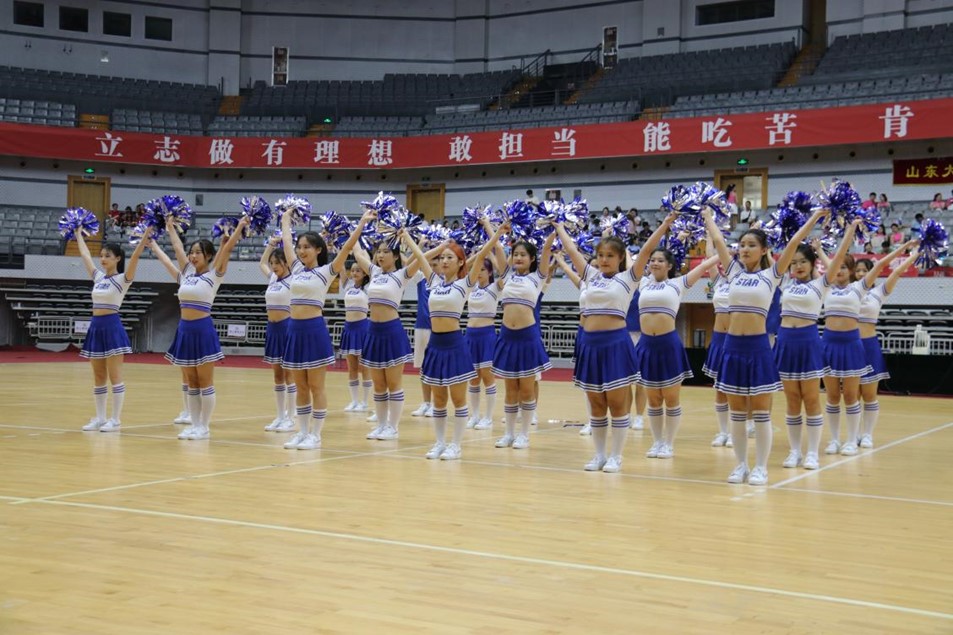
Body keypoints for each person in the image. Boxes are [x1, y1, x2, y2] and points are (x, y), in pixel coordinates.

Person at [705, 207, 827, 486]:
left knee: (761, 412)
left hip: (759, 348)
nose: (744, 249)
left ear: (763, 250)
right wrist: (708, 217)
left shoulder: (772, 274)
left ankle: (760, 467)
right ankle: (740, 465)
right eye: (742, 245)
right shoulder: (733, 272)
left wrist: (814, 218)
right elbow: (719, 241)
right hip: (732, 348)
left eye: (751, 245)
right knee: (737, 413)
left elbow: (794, 242)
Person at [407, 219, 505, 460]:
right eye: (442, 257)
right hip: (435, 345)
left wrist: (496, 233)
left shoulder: (465, 284)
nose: (444, 260)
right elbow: (419, 255)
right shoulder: (433, 281)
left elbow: (482, 253)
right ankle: (440, 442)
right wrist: (405, 235)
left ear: (461, 262)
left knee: (458, 399)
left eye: (450, 257)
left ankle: (456, 445)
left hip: (454, 345)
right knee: (439, 399)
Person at [279, 209, 374, 450]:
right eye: (300, 247)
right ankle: (302, 432)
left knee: (316, 386)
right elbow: (286, 241)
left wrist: (361, 224)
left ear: (318, 250)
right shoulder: (295, 269)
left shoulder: (326, 271)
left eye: (307, 247)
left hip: (313, 331)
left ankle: (316, 434)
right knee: (300, 387)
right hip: (294, 331)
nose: (301, 251)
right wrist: (285, 219)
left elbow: (347, 247)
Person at [150, 214, 247, 440]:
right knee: (191, 382)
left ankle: (204, 426)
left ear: (208, 256)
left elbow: (227, 249)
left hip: (203, 330)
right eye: (191, 252)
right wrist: (170, 228)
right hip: (184, 330)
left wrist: (240, 227)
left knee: (205, 381)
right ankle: (194, 425)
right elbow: (176, 249)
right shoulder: (186, 274)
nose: (192, 256)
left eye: (197, 253)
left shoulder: (214, 276)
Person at [774, 223, 859, 471]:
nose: (797, 266)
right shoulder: (783, 283)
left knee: (811, 399)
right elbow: (786, 249)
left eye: (803, 261)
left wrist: (850, 230)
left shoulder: (822, 283)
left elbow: (840, 256)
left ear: (813, 264)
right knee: (792, 400)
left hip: (809, 343)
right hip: (785, 343)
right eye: (793, 263)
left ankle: (812, 453)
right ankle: (794, 452)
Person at [821, 242, 918, 452]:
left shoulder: (878, 292)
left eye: (865, 270)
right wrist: (819, 250)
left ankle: (867, 435)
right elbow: (831, 266)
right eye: (858, 270)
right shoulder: (847, 292)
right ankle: (852, 435)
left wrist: (913, 254)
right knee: (851, 395)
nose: (861, 273)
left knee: (869, 394)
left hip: (868, 345)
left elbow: (896, 271)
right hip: (848, 343)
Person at [633, 232, 721, 460]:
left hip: (668, 345)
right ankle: (657, 442)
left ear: (670, 265)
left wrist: (725, 250)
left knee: (671, 399)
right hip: (646, 345)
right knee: (653, 400)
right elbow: (637, 255)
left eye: (660, 260)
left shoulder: (678, 283)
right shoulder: (642, 282)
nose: (654, 263)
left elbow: (705, 266)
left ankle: (669, 444)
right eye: (652, 260)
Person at [352, 232, 439, 441]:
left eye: (386, 252)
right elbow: (357, 253)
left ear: (396, 256)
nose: (380, 255)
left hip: (392, 331)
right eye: (378, 252)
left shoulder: (402, 275)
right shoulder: (374, 272)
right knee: (379, 385)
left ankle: (393, 427)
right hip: (372, 332)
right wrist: (357, 228)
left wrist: (443, 244)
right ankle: (381, 425)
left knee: (393, 383)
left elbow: (422, 258)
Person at [76, 227, 151, 432]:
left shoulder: (122, 280)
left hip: (112, 328)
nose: (102, 259)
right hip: (96, 328)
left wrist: (145, 237)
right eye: (101, 256)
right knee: (99, 377)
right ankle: (100, 418)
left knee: (114, 376)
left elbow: (134, 257)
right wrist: (78, 234)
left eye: (107, 256)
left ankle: (115, 420)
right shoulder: (98, 278)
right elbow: (85, 256)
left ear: (117, 258)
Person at [491, 232, 556, 450]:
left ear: (531, 259)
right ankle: (509, 434)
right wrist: (495, 228)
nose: (518, 258)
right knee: (510, 390)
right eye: (515, 254)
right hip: (507, 337)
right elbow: (497, 248)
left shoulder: (537, 278)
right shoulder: (507, 275)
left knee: (527, 390)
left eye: (523, 255)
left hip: (527, 337)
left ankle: (524, 435)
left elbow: (546, 250)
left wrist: (553, 233)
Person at [464, 241, 506, 430]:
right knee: (473, 378)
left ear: (489, 272)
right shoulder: (470, 288)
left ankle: (488, 417)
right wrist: (479, 254)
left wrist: (490, 253)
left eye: (482, 269)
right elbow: (463, 268)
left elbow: (504, 272)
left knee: (488, 377)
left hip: (487, 335)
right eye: (477, 269)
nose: (479, 272)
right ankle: (474, 415)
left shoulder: (496, 287)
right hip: (470, 335)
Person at [259, 236, 295, 432]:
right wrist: (271, 245)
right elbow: (261, 263)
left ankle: (291, 417)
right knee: (277, 376)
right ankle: (280, 416)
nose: (273, 266)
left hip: (287, 328)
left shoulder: (293, 279)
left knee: (289, 375)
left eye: (277, 263)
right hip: (272, 330)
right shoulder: (273, 278)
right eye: (272, 263)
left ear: (286, 263)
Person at [339, 261, 373, 413]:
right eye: (352, 270)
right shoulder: (347, 285)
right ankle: (354, 401)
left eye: (358, 270)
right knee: (351, 368)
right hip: (349, 328)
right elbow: (340, 266)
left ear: (365, 273)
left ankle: (364, 402)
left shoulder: (369, 288)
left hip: (362, 329)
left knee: (364, 367)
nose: (354, 273)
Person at [410, 246, 439, 418]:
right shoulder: (421, 279)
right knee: (423, 367)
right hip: (421, 327)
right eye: (430, 264)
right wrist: (420, 245)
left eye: (435, 264)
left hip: (437, 329)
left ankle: (436, 403)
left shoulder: (443, 281)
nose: (432, 267)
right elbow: (408, 263)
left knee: (436, 367)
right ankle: (426, 403)